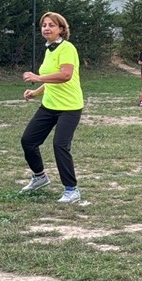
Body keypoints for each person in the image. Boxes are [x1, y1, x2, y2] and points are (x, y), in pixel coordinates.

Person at [20, 11, 84, 203]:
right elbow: (51, 79)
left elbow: (65, 75)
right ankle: (40, 177)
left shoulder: (67, 48)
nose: (47, 28)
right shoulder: (50, 50)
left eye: (52, 25)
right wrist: (35, 92)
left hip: (70, 107)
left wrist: (37, 77)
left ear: (61, 29)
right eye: (44, 25)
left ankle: (71, 190)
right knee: (28, 141)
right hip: (49, 105)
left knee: (60, 145)